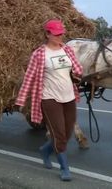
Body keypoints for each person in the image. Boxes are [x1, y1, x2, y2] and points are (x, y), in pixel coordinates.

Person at [15, 19, 83, 181]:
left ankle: (45, 150)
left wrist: (77, 74)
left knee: (67, 134)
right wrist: (21, 99)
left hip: (69, 97)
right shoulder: (39, 54)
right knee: (59, 134)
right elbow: (29, 78)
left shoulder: (67, 50)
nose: (60, 36)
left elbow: (77, 69)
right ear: (47, 34)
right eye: (56, 34)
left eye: (61, 33)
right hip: (49, 98)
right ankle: (65, 168)